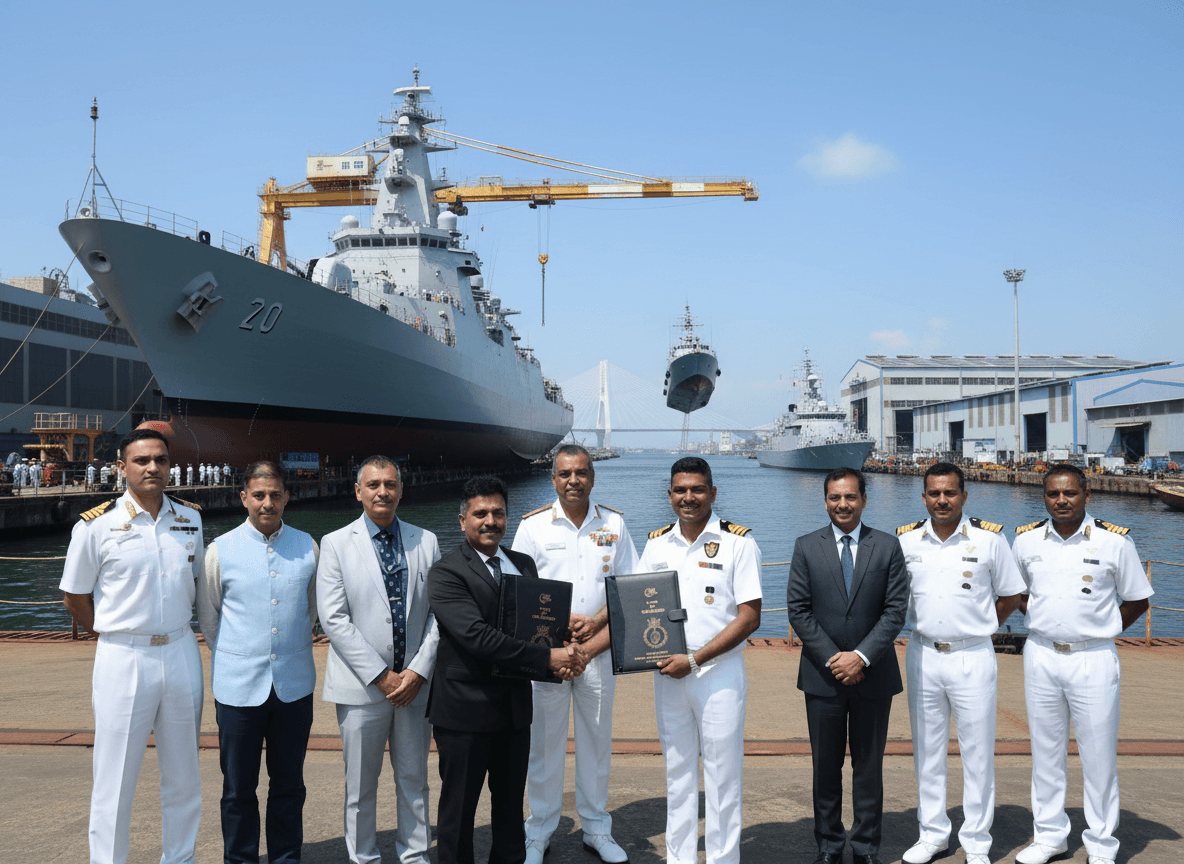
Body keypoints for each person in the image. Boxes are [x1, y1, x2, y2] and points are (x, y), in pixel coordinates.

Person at [59, 428, 205, 864]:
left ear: (170, 466)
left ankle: (179, 858)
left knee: (184, 774)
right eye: (141, 461)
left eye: (160, 460)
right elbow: (75, 597)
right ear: (122, 467)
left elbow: (197, 583)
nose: (152, 468)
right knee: (115, 777)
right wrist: (110, 634)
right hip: (123, 656)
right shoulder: (95, 526)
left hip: (180, 651)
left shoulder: (190, 519)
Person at [427, 475, 586, 864]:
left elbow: (535, 629)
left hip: (513, 711)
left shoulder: (523, 564)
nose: (490, 521)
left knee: (510, 813)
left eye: (498, 513)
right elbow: (477, 637)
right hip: (464, 712)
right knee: (458, 816)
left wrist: (564, 647)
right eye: (480, 513)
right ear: (462, 520)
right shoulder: (446, 572)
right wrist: (548, 659)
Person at [1011, 464, 1152, 864]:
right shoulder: (1026, 541)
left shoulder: (1114, 542)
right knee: (1045, 753)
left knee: (1099, 756)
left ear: (1087, 495)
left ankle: (1102, 845)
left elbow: (1138, 600)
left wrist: (1103, 628)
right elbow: (1015, 591)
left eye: (1070, 493)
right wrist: (1040, 617)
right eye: (1053, 494)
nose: (1061, 500)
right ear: (1044, 497)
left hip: (1093, 658)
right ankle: (1049, 837)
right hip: (1041, 655)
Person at [511, 444, 638, 864]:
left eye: (581, 472)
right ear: (553, 479)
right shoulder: (532, 527)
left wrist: (596, 626)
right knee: (543, 746)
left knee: (596, 742)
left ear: (592, 477)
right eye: (564, 474)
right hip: (546, 657)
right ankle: (538, 831)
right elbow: (519, 595)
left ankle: (597, 828)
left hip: (597, 655)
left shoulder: (615, 524)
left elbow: (629, 590)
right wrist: (558, 639)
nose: (573, 481)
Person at [896, 462, 1025, 864]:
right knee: (927, 751)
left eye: (950, 493)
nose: (942, 500)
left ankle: (977, 842)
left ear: (964, 496)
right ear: (923, 498)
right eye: (934, 493)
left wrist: (981, 625)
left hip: (972, 656)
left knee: (978, 752)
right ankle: (932, 835)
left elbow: (1011, 595)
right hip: (922, 654)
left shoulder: (990, 540)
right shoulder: (906, 541)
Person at [637, 457, 762, 864]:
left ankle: (724, 859)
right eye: (680, 490)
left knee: (723, 776)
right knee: (677, 773)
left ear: (712, 492)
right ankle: (681, 858)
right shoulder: (656, 544)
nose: (688, 497)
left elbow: (749, 617)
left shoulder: (738, 542)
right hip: (667, 675)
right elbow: (636, 605)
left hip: (717, 673)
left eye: (697, 489)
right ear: (669, 494)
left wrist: (693, 660)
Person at [318, 455, 442, 864]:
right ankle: (364, 857)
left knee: (414, 779)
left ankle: (415, 855)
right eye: (373, 485)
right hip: (362, 688)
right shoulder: (336, 544)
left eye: (390, 484)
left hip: (414, 686)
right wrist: (381, 675)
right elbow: (334, 619)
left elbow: (438, 613)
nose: (382, 492)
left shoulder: (426, 541)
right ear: (358, 491)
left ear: (401, 490)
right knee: (360, 786)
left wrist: (418, 670)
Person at [198, 461, 319, 864]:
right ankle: (240, 859)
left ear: (287, 497)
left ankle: (286, 858)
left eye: (275, 495)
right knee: (237, 790)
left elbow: (310, 611)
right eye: (259, 495)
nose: (267, 503)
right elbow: (210, 618)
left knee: (290, 786)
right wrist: (242, 653)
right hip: (237, 688)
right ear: (244, 498)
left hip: (293, 686)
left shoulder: (307, 547)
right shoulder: (220, 550)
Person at [787, 467, 908, 864]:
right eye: (835, 497)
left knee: (869, 767)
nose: (843, 504)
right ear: (825, 501)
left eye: (850, 497)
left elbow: (895, 611)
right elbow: (799, 610)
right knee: (825, 767)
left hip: (874, 673)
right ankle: (829, 845)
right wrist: (834, 658)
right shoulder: (806, 546)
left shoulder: (887, 546)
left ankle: (866, 847)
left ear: (864, 500)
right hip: (823, 676)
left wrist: (860, 656)